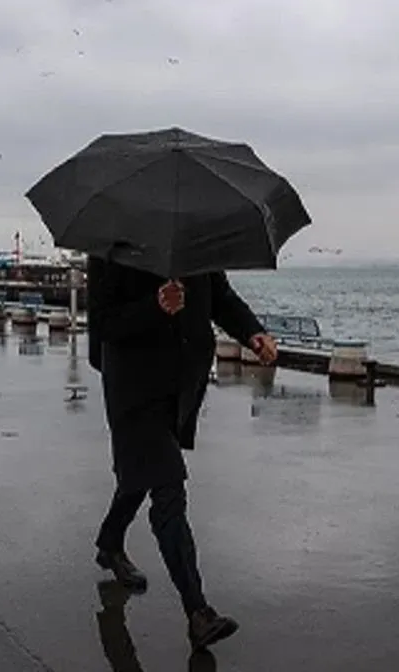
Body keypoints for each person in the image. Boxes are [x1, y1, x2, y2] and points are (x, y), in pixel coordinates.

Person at [87, 252, 279, 650]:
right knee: (168, 488)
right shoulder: (112, 244)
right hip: (134, 389)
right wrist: (154, 306)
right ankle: (198, 612)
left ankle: (109, 543)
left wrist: (252, 333)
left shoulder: (196, 238)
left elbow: (220, 296)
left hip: (179, 389)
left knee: (143, 473)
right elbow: (103, 322)